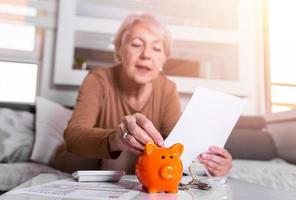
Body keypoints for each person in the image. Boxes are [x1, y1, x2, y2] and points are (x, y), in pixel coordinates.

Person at [64, 14, 232, 176]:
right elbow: (73, 136)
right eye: (136, 44)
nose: (146, 55)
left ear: (164, 59)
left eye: (157, 48)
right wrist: (116, 139)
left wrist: (212, 163)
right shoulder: (98, 80)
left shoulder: (167, 89)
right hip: (84, 167)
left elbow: (176, 147)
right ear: (119, 51)